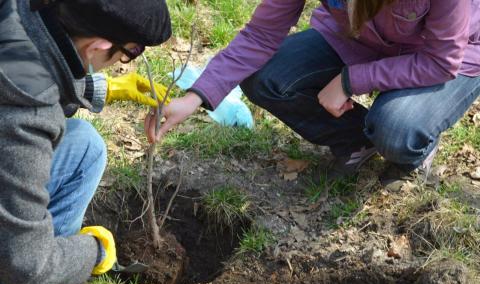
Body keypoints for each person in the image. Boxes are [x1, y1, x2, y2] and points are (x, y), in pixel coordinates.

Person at [150, 0, 480, 191]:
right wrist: (196, 96)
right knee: (267, 77)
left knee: (397, 129)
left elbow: (440, 60)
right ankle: (357, 139)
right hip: (356, 38)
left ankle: (414, 143)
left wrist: (352, 80)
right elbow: (261, 34)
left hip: (447, 54)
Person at [0, 0, 171, 284]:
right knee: (85, 152)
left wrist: (98, 88)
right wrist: (94, 252)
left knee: (83, 145)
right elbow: (26, 267)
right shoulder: (26, 115)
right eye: (124, 56)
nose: (120, 65)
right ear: (98, 46)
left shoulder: (13, 12)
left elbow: (33, 61)